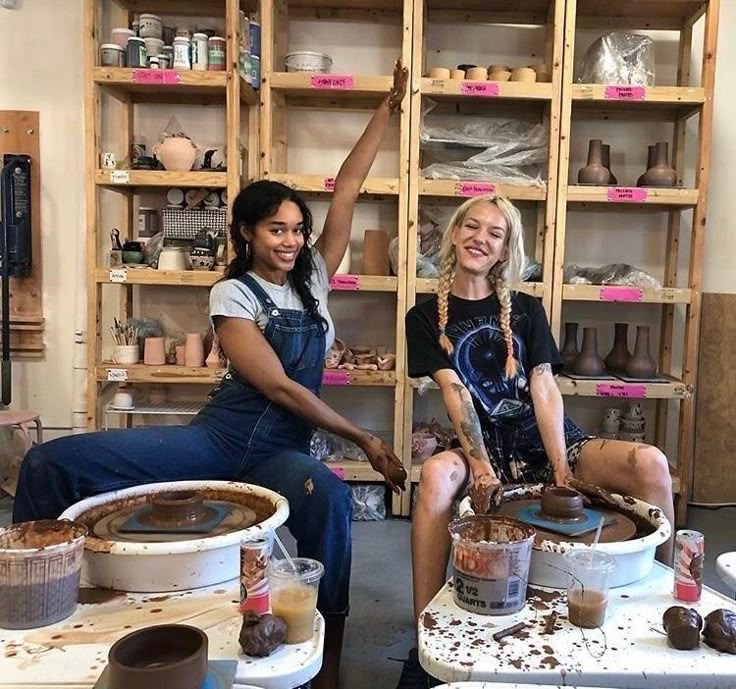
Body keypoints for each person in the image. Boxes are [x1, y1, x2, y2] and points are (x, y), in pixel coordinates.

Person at [13, 60, 409, 689]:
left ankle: (326, 651)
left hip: (279, 454)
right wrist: (365, 439)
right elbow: (278, 386)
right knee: (47, 463)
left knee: (329, 497)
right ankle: (34, 607)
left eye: (298, 229)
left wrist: (388, 107)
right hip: (217, 441)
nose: (291, 240)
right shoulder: (234, 295)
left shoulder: (312, 278)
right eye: (276, 229)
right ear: (247, 232)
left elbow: (350, 188)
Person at [395, 194, 674, 689]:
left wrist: (561, 467)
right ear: (455, 234)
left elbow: (543, 385)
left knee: (650, 462)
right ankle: (427, 638)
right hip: (483, 441)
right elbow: (455, 391)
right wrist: (479, 467)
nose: (481, 238)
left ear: (504, 250)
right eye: (472, 227)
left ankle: (664, 605)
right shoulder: (424, 317)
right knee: (436, 473)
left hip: (543, 439)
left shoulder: (524, 309)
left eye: (495, 233)